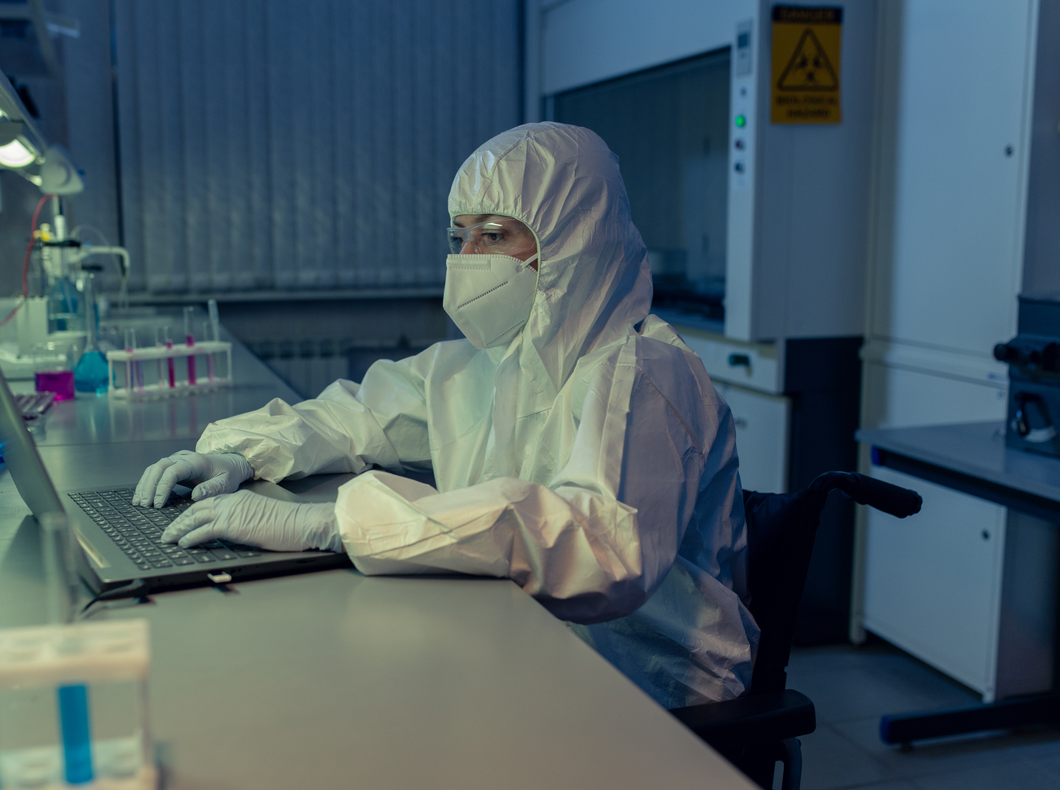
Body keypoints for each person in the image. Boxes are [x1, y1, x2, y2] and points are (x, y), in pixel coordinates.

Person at [133, 122, 758, 708]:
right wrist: (243, 451)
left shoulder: (648, 374)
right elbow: (358, 413)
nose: (468, 257)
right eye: (460, 237)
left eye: (493, 234)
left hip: (647, 687)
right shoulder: (486, 364)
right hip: (522, 641)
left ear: (571, 240)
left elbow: (598, 547)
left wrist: (333, 524)